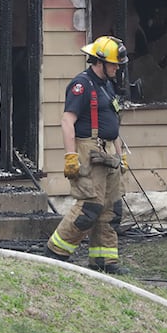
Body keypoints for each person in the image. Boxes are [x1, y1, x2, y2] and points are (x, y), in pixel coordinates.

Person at [45, 36, 128, 272]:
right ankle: (55, 253)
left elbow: (113, 125)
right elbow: (66, 121)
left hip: (109, 152)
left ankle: (104, 261)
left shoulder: (107, 85)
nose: (117, 68)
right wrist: (70, 156)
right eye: (113, 64)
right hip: (88, 151)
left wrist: (121, 156)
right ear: (99, 61)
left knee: (111, 208)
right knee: (89, 208)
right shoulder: (81, 85)